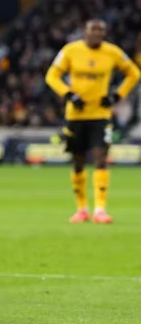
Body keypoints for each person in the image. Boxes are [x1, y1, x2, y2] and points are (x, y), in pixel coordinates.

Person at [45, 19, 140, 223]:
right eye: (92, 30)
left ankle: (100, 210)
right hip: (76, 116)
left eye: (101, 31)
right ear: (84, 32)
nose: (96, 34)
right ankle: (81, 209)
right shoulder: (70, 51)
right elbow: (52, 75)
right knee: (78, 162)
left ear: (104, 34)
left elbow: (134, 73)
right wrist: (68, 94)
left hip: (100, 115)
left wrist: (117, 95)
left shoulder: (113, 52)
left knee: (100, 158)